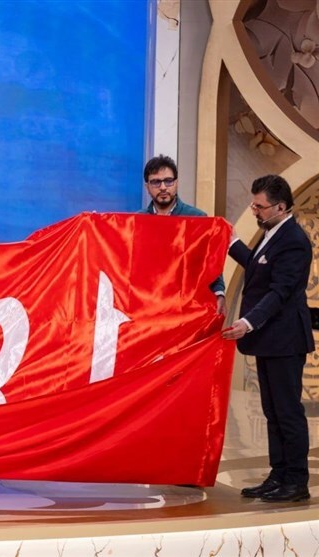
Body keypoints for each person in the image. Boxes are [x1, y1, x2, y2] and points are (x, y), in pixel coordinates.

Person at [222, 175, 313, 502]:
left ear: (281, 207)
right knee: (272, 411)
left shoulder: (294, 240)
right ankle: (278, 474)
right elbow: (258, 266)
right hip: (270, 339)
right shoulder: (272, 232)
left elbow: (279, 291)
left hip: (285, 340)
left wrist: (248, 322)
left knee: (287, 412)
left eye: (259, 206)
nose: (254, 211)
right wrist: (232, 244)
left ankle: (296, 482)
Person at [140, 155, 227, 315]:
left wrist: (219, 292)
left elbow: (210, 260)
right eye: (156, 182)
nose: (163, 187)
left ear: (177, 183)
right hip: (148, 305)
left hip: (186, 306)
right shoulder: (138, 221)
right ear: (147, 186)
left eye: (168, 181)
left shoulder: (197, 218)